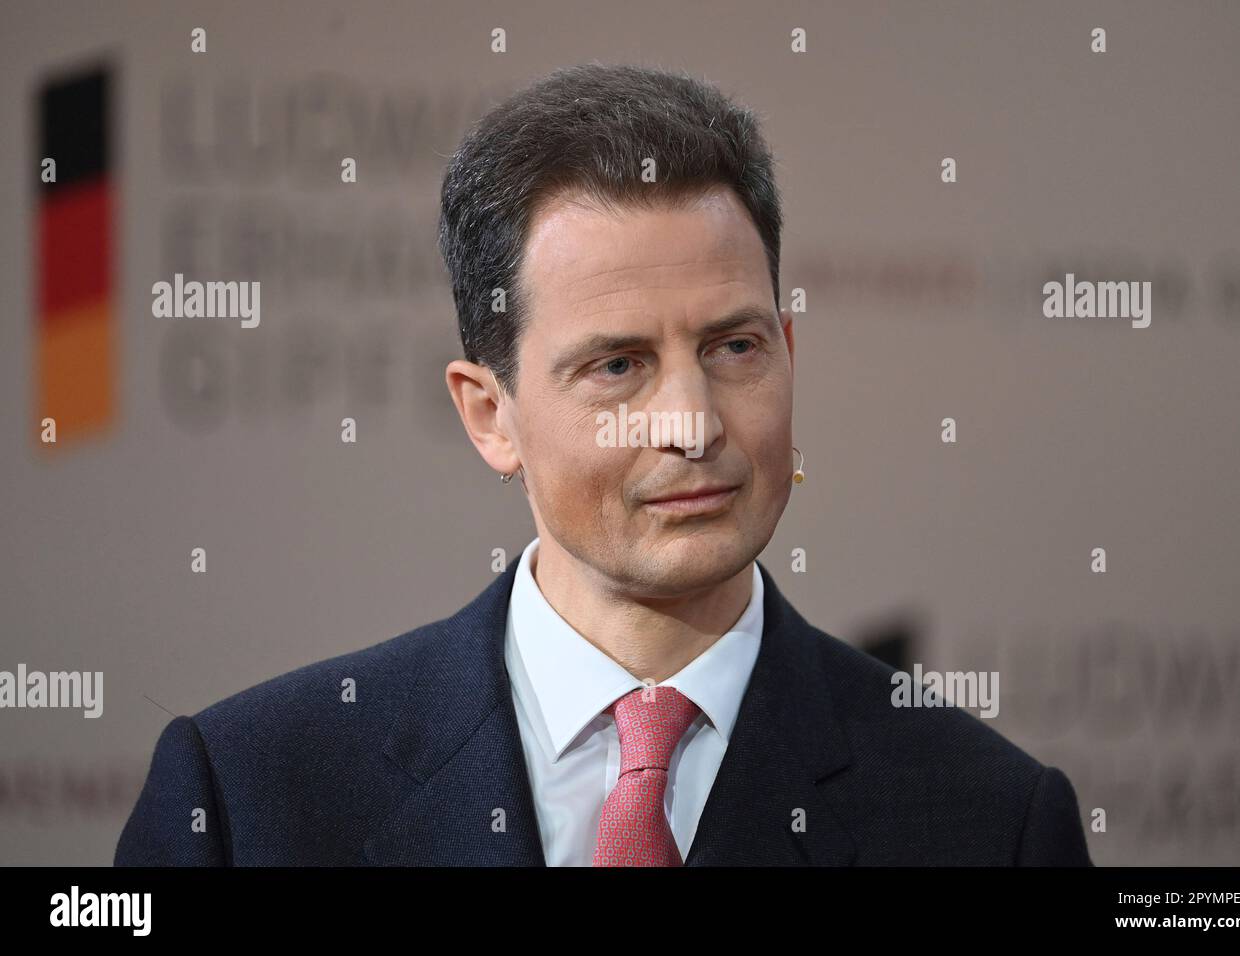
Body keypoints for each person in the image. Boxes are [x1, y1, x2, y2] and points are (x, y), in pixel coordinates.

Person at [116, 63, 1092, 866]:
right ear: (489, 413)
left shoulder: (987, 822)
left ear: (789, 348)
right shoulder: (248, 799)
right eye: (618, 364)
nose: (691, 422)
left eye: (735, 348)